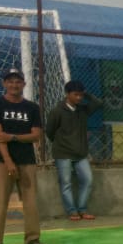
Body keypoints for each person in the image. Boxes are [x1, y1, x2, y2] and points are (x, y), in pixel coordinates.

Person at [0, 68, 45, 244]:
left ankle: (32, 238)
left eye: (18, 81)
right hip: (2, 161)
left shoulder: (32, 108)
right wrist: (9, 161)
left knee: (31, 202)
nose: (14, 84)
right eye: (10, 81)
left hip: (27, 160)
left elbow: (36, 135)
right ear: (4, 83)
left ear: (24, 84)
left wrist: (13, 137)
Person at [44, 80, 101, 221]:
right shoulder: (57, 111)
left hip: (81, 154)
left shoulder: (83, 110)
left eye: (81, 95)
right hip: (63, 154)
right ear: (67, 94)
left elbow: (98, 103)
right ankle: (72, 211)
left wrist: (85, 93)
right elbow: (49, 131)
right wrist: (62, 144)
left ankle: (82, 209)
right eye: (76, 94)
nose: (79, 98)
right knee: (66, 183)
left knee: (87, 180)